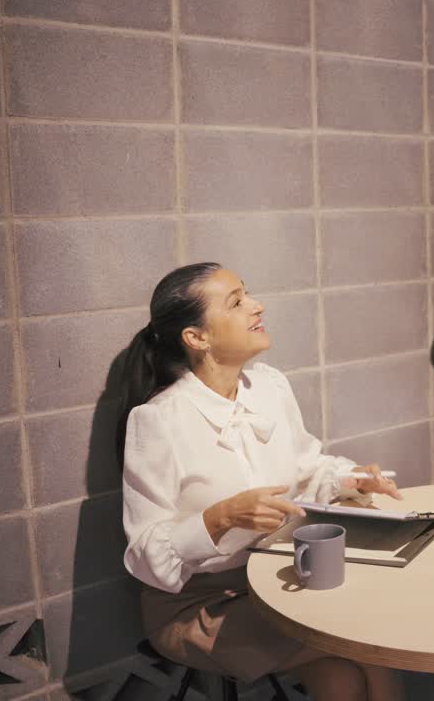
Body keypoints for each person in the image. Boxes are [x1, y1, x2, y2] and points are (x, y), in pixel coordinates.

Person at [117, 262, 406, 700]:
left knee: (350, 665)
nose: (257, 306)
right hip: (196, 607)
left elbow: (308, 469)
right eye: (236, 302)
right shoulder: (157, 421)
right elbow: (143, 555)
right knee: (363, 650)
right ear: (197, 338)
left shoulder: (270, 387)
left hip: (279, 579)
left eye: (247, 294)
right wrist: (220, 518)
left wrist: (354, 479)